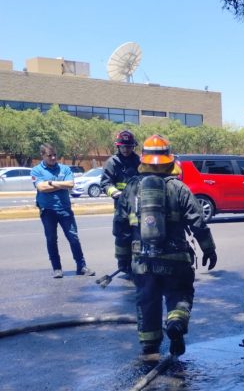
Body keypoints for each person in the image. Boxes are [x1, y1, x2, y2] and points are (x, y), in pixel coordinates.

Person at [113, 134, 217, 358]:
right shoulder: (179, 188)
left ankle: (149, 347)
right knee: (179, 295)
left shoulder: (131, 188)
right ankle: (176, 324)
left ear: (144, 161)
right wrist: (209, 249)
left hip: (142, 262)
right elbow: (198, 223)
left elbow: (120, 226)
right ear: (170, 161)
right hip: (176, 260)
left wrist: (122, 259)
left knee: (147, 301)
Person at [32, 143, 95, 278]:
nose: (53, 158)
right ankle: (57, 268)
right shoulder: (36, 170)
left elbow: (70, 184)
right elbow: (41, 188)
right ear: (42, 155)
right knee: (51, 239)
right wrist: (60, 185)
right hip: (47, 211)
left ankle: (81, 266)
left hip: (65, 210)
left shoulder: (64, 169)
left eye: (55, 155)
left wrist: (50, 183)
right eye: (50, 156)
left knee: (73, 238)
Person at [101, 130, 141, 201]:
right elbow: (105, 183)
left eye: (128, 147)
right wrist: (114, 192)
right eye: (122, 147)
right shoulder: (112, 162)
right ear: (118, 147)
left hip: (137, 201)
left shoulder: (139, 161)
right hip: (120, 202)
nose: (125, 149)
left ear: (133, 147)